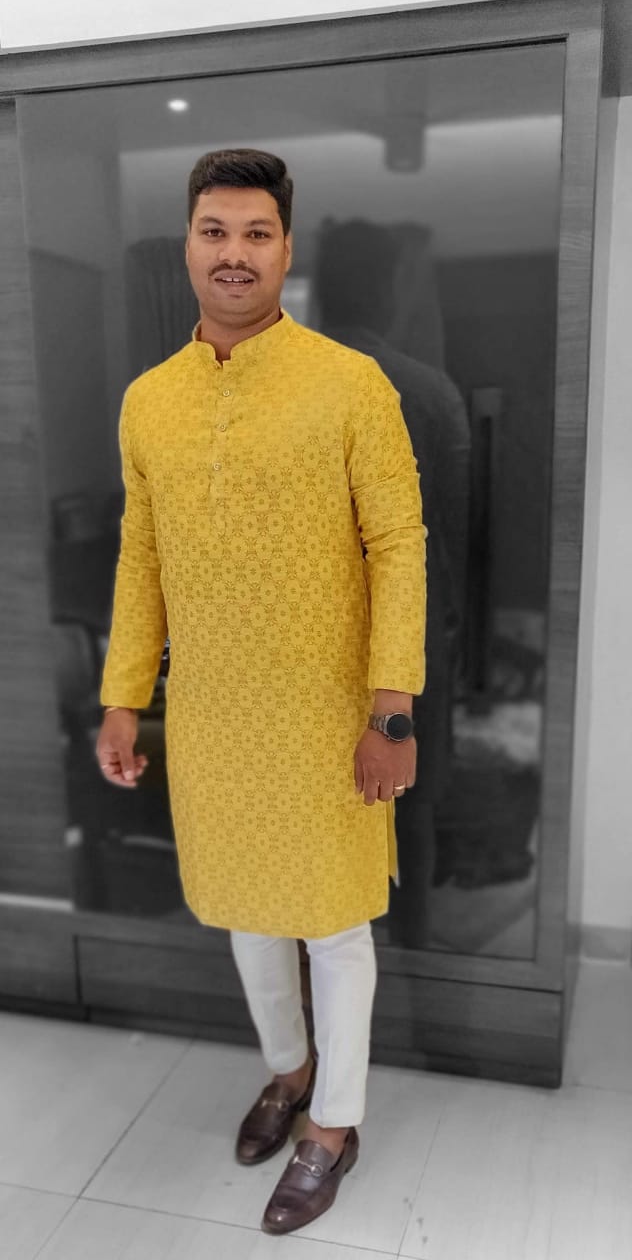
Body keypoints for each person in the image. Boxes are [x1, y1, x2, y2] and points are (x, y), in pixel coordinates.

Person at [96, 149, 426, 1236]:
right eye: (214, 231)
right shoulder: (150, 401)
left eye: (255, 233)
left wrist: (391, 709)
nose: (233, 253)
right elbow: (141, 555)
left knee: (332, 922)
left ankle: (333, 1124)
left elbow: (398, 546)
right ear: (187, 245)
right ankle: (288, 1070)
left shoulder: (350, 383)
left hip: (330, 712)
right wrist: (124, 695)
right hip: (210, 712)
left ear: (285, 248)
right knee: (245, 907)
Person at [313, 218, 470, 947]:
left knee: (314, 808)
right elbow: (457, 534)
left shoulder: (275, 389)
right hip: (409, 634)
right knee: (412, 803)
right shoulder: (431, 392)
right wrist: (451, 634)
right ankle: (413, 952)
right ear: (389, 292)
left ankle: (326, 957)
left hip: (304, 639)